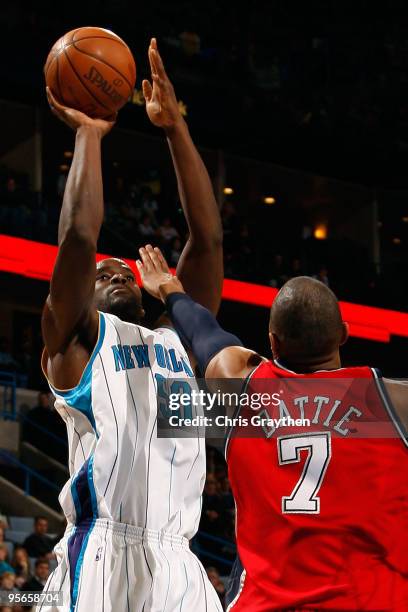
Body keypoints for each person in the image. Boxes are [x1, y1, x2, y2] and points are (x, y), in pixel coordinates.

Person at [39, 38, 223, 612]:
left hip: (181, 567)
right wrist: (89, 134)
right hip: (100, 557)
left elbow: (208, 239)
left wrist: (175, 130)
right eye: (103, 275)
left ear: (147, 296)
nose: (116, 273)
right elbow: (79, 237)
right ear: (83, 297)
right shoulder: (75, 341)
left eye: (124, 272)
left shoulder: (177, 340)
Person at [137, 246, 408, 612]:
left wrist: (170, 289)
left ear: (273, 341)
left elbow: (204, 332)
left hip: (266, 604)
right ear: (344, 334)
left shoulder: (242, 388)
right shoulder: (391, 401)